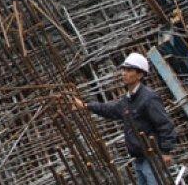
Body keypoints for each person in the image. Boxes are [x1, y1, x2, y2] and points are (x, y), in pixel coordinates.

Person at [72, 53, 177, 185]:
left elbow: (165, 124)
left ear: (140, 75)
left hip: (152, 156)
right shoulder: (128, 99)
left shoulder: (149, 98)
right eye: (123, 70)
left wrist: (166, 151)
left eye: (129, 70)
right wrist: (86, 106)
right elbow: (110, 110)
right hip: (139, 157)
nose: (124, 73)